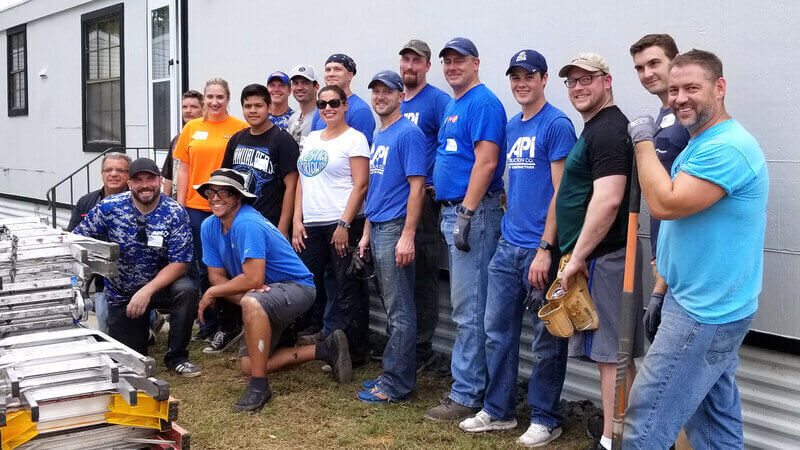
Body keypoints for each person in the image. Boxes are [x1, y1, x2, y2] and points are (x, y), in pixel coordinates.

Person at [624, 49, 768, 449]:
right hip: (698, 302)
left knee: (645, 419)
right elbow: (682, 229)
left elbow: (665, 204)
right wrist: (659, 291)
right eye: (674, 90)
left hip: (704, 313)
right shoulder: (701, 142)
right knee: (711, 424)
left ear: (719, 88)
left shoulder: (727, 148)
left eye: (692, 88)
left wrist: (642, 143)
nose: (680, 98)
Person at [458, 50, 576, 447]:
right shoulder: (511, 125)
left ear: (543, 79)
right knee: (497, 332)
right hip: (508, 247)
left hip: (540, 250)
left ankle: (545, 417)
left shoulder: (557, 124)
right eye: (515, 77)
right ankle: (499, 410)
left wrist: (547, 247)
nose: (521, 83)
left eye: (529, 76)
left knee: (546, 339)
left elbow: (563, 193)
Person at [196, 169, 352, 412]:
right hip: (266, 296)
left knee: (251, 302)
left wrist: (218, 293)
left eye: (224, 192)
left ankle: (259, 388)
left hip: (298, 288)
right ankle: (325, 349)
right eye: (210, 192)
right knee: (248, 363)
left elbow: (252, 278)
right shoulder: (209, 226)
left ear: (238, 197)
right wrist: (245, 293)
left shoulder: (246, 222)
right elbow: (216, 277)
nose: (215, 198)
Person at [555, 53, 643, 450]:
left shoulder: (608, 130)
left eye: (586, 79)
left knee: (613, 355)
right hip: (597, 258)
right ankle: (622, 432)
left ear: (607, 81)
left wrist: (577, 259)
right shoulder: (594, 128)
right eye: (571, 81)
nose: (578, 87)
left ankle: (615, 439)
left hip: (608, 258)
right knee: (609, 353)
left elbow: (608, 201)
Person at [424, 37, 506, 422]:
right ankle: (471, 385)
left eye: (459, 61)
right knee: (466, 306)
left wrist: (467, 213)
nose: (452, 67)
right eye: (447, 62)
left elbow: (487, 164)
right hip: (452, 210)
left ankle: (468, 393)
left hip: (472, 214)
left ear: (477, 62)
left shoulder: (484, 102)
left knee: (470, 308)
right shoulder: (456, 103)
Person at [72, 158, 201, 377]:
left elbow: (179, 264)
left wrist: (147, 291)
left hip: (161, 287)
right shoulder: (108, 207)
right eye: (138, 180)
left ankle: (177, 357)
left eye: (150, 178)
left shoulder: (175, 212)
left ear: (160, 181)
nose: (145, 185)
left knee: (186, 290)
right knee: (133, 361)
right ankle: (145, 329)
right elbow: (78, 240)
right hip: (122, 291)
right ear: (129, 183)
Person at [356, 70, 426, 403]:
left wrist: (408, 235)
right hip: (379, 227)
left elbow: (417, 189)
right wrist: (367, 231)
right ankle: (389, 374)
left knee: (400, 312)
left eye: (388, 91)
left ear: (401, 96)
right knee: (391, 309)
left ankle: (396, 385)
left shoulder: (408, 134)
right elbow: (377, 189)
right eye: (376, 91)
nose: (381, 96)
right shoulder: (380, 133)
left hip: (396, 229)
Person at [292, 85, 370, 366]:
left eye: (334, 102)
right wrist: (296, 220)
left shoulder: (355, 139)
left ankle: (355, 352)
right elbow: (302, 179)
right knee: (307, 281)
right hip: (311, 223)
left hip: (342, 223)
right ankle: (326, 340)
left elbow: (361, 185)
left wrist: (344, 224)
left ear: (345, 105)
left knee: (348, 289)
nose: (328, 108)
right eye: (322, 104)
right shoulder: (311, 138)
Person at [174, 78, 248, 344]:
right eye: (210, 97)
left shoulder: (240, 128)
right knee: (202, 267)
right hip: (196, 207)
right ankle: (207, 322)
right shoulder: (192, 128)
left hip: (229, 208)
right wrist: (180, 204)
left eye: (220, 97)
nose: (215, 102)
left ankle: (234, 323)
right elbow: (183, 168)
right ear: (203, 99)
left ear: (228, 100)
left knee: (230, 265)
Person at [629, 34, 690, 343]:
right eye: (640, 67)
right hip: (663, 256)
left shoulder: (688, 120)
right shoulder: (663, 117)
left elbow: (682, 202)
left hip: (680, 264)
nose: (647, 74)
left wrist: (660, 287)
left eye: (654, 63)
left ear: (675, 61)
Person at [398, 39, 451, 372]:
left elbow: (452, 146)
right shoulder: (395, 99)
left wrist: (437, 183)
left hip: (427, 202)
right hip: (397, 200)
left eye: (416, 61)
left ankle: (422, 349)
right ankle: (403, 340)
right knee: (399, 273)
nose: (409, 66)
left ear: (428, 66)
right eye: (405, 59)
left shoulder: (437, 101)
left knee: (422, 275)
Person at [221, 83, 299, 238]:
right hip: (238, 222)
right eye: (247, 106)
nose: (253, 110)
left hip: (269, 223)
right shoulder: (237, 139)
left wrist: (282, 229)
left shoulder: (282, 140)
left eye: (258, 106)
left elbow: (292, 187)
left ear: (269, 108)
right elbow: (226, 182)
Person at [67, 151, 131, 333]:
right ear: (102, 173)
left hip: (126, 268)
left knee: (114, 323)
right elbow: (72, 236)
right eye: (108, 169)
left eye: (120, 170)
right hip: (93, 264)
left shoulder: (137, 201)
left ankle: (150, 317)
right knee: (104, 324)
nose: (114, 174)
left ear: (128, 175)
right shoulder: (86, 202)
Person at [310, 54, 376, 145]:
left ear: (350, 75)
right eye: (328, 70)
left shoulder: (359, 110)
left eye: (338, 69)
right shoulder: (322, 109)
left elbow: (362, 151)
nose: (331, 74)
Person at [162, 90, 204, 197]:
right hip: (178, 200)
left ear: (204, 110)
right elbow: (169, 176)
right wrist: (166, 203)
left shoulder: (211, 140)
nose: (188, 111)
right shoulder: (177, 139)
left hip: (200, 199)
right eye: (184, 107)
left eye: (193, 107)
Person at [286, 64, 320, 148]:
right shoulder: (293, 118)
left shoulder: (323, 115)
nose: (299, 87)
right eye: (295, 83)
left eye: (305, 83)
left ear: (316, 87)